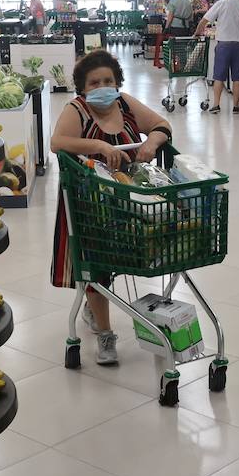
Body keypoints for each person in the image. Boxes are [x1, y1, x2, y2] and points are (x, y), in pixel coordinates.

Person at [49, 50, 173, 365]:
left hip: (131, 203)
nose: (103, 86)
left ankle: (102, 307)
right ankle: (105, 334)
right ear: (83, 87)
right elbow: (58, 142)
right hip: (91, 204)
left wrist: (151, 143)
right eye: (94, 82)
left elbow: (161, 124)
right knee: (97, 265)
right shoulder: (76, 110)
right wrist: (99, 145)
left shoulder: (126, 104)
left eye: (108, 80)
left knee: (139, 253)